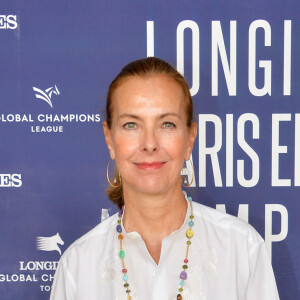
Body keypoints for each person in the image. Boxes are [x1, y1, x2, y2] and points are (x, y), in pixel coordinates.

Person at [49, 57, 279, 300]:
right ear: (109, 139)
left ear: (190, 138)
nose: (150, 144)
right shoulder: (77, 266)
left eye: (167, 124)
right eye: (131, 125)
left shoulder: (242, 249)